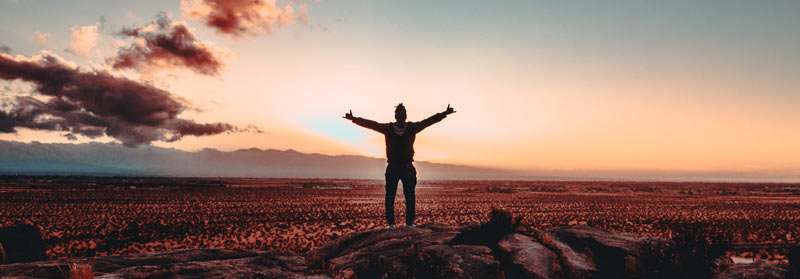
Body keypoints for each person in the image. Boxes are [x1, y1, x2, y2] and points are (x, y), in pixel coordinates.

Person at [344, 103, 456, 228]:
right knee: (390, 196)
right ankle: (391, 224)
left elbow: (428, 121)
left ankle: (409, 224)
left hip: (407, 167)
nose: (402, 115)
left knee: (410, 196)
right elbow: (371, 124)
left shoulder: (412, 127)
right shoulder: (388, 128)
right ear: (396, 115)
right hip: (393, 167)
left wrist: (444, 113)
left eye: (404, 113)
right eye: (400, 113)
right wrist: (354, 119)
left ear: (405, 115)